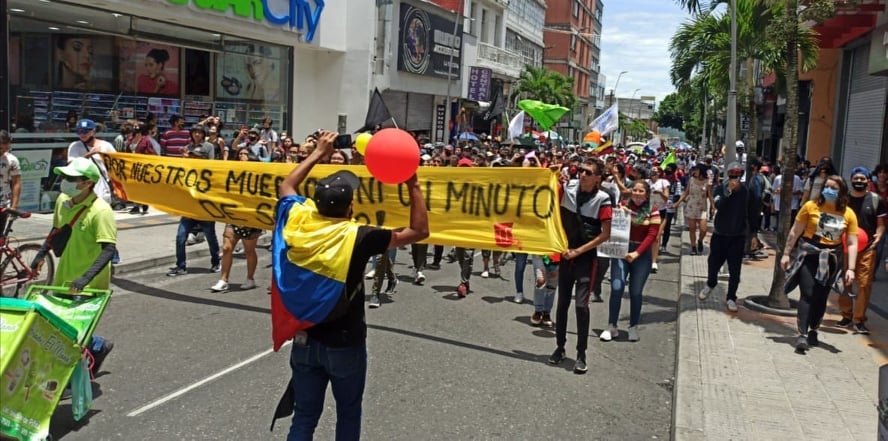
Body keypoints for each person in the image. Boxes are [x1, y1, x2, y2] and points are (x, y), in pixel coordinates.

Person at [273, 130, 428, 440]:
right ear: (349, 210)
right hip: (345, 343)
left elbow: (287, 185)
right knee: (348, 413)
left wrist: (318, 153)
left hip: (304, 340)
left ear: (315, 204)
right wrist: (413, 185)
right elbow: (419, 231)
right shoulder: (359, 236)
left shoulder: (296, 219)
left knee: (303, 417)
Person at [33, 158, 116, 375]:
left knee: (73, 333)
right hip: (64, 278)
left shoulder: (101, 211)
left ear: (88, 183)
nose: (65, 182)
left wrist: (85, 279)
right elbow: (56, 230)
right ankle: (98, 345)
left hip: (88, 285)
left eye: (71, 179)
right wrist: (41, 253)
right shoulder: (62, 200)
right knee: (59, 328)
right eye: (65, 177)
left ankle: (71, 377)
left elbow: (108, 250)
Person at [548, 157, 612, 375]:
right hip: (566, 256)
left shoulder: (603, 199)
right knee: (562, 304)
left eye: (587, 172)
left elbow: (606, 234)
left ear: (597, 178)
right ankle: (560, 347)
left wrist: (579, 251)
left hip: (586, 259)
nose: (582, 174)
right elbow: (549, 191)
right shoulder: (569, 188)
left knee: (581, 307)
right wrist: (553, 173)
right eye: (581, 170)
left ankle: (581, 354)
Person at [782, 174, 858, 353]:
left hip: (831, 257)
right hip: (810, 253)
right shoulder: (810, 206)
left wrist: (851, 269)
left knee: (820, 297)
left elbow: (852, 242)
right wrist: (786, 254)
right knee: (807, 293)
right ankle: (802, 333)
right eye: (827, 187)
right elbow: (795, 231)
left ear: (842, 193)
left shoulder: (848, 213)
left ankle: (814, 329)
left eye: (834, 188)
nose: (829, 191)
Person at [601, 180, 660, 342]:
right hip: (621, 251)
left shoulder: (653, 212)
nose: (637, 194)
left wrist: (637, 253)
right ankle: (612, 326)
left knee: (635, 292)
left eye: (641, 191)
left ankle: (633, 326)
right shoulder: (622, 206)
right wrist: (618, 214)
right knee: (617, 287)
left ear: (647, 194)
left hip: (641, 255)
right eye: (635, 190)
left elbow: (652, 235)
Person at [836, 167, 885, 334]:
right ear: (851, 180)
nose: (859, 181)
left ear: (868, 180)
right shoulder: (844, 200)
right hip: (846, 248)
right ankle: (846, 315)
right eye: (856, 178)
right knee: (845, 282)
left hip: (867, 249)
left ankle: (859, 320)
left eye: (862, 179)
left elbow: (880, 225)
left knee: (864, 284)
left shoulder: (876, 200)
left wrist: (878, 237)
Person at [698, 163, 748, 313]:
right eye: (732, 176)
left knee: (735, 270)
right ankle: (711, 283)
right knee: (713, 262)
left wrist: (753, 234)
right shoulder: (721, 188)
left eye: (737, 177)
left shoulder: (746, 191)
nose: (734, 179)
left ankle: (731, 297)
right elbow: (718, 204)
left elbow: (752, 211)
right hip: (720, 234)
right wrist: (728, 192)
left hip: (737, 236)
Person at [211, 148, 262, 292]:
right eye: (240, 154)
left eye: (245, 154)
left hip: (250, 218)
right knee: (227, 248)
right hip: (233, 216)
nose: (242, 156)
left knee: (249, 251)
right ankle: (223, 279)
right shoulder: (232, 172)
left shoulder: (257, 174)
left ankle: (250, 278)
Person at [67, 119, 114, 205]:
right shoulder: (74, 146)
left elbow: (115, 165)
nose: (82, 134)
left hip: (101, 185)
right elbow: (71, 165)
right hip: (82, 184)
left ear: (93, 132)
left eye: (85, 132)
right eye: (79, 131)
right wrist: (90, 154)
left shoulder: (106, 145)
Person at [0, 130, 22, 234]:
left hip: (2, 203)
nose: (3, 149)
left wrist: (14, 206)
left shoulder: (12, 160)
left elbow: (16, 183)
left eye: (6, 146)